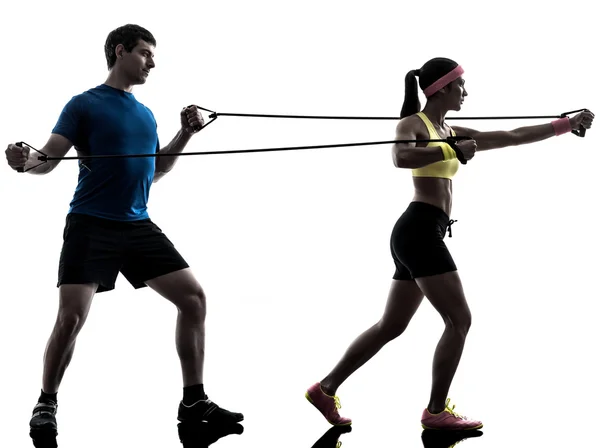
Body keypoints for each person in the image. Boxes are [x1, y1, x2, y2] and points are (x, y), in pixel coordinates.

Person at [305, 57, 594, 431]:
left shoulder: (449, 129)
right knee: (459, 320)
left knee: (391, 325)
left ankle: (325, 389)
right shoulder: (414, 124)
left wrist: (565, 125)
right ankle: (436, 411)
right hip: (418, 230)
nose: (466, 92)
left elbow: (511, 136)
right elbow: (400, 156)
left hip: (423, 232)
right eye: (460, 86)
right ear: (440, 88)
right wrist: (451, 151)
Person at [4, 24, 243, 437]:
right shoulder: (84, 104)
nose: (152, 62)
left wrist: (185, 133)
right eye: (146, 53)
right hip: (91, 225)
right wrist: (23, 161)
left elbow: (158, 169)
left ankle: (194, 403)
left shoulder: (145, 114)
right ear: (120, 51)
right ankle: (46, 403)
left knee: (194, 298)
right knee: (71, 318)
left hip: (137, 224)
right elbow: (46, 160)